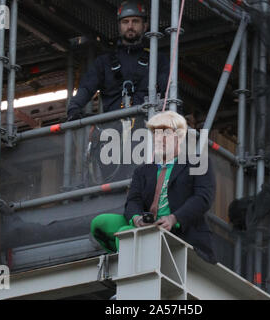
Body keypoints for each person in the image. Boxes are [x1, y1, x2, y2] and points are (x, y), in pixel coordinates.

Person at [90, 111, 217, 263]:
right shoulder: (143, 171)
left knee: (125, 233)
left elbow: (203, 199)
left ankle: (133, 261)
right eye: (156, 134)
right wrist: (136, 218)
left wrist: (173, 218)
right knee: (100, 222)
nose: (159, 139)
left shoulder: (198, 162)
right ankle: (136, 251)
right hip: (147, 226)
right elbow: (133, 201)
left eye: (166, 133)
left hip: (179, 230)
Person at [67, 0, 170, 121]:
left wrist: (177, 117)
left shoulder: (157, 60)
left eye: (135, 21)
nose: (130, 26)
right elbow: (86, 88)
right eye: (125, 22)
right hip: (112, 130)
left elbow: (169, 90)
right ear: (119, 27)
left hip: (147, 128)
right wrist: (73, 109)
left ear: (145, 26)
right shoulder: (104, 62)